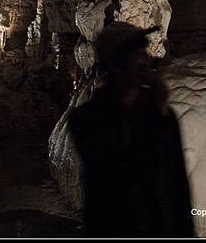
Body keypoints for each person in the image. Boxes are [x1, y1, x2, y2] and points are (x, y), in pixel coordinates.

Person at [68, 22, 195, 238]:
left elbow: (178, 189)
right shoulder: (87, 120)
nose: (146, 59)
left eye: (144, 52)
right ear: (116, 63)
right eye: (137, 53)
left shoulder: (163, 116)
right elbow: (120, 172)